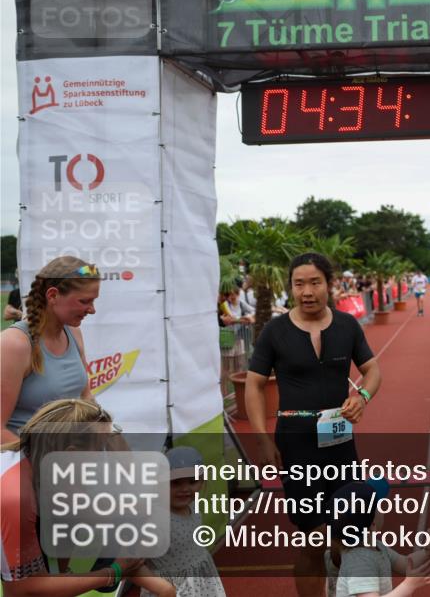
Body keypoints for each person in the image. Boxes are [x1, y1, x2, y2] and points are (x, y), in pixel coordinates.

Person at [246, 252, 382, 597]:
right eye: (299, 284)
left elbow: (372, 370)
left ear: (329, 284)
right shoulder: (275, 331)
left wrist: (362, 397)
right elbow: (254, 385)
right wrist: (263, 439)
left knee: (349, 532)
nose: (307, 291)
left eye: (314, 283)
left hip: (341, 445)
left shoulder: (347, 326)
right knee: (313, 540)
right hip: (296, 447)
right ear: (291, 287)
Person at [0, 399, 154, 596]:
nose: (105, 458)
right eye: (101, 449)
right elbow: (22, 591)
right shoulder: (17, 497)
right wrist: (114, 572)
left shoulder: (42, 463)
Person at [1, 257, 100, 443]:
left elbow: (85, 395)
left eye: (93, 301)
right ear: (53, 295)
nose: (92, 310)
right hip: (26, 457)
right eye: (84, 301)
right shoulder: (14, 344)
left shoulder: (73, 333)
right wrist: (38, 458)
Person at [135, 447, 226, 597]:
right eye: (175, 483)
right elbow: (132, 564)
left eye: (192, 481)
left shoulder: (192, 505)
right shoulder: (158, 520)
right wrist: (161, 588)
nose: (185, 489)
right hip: (172, 589)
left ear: (202, 481)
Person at [327, 481, 430, 597]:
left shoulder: (376, 547)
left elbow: (405, 563)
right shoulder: (360, 562)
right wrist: (408, 586)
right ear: (373, 525)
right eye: (378, 507)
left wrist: (427, 552)